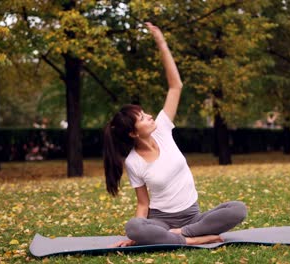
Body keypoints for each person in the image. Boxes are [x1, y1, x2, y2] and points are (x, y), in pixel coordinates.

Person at [103, 22, 247, 247]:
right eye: (141, 118)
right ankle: (189, 241)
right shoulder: (133, 162)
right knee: (133, 226)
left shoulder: (162, 129)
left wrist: (161, 43)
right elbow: (143, 204)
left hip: (193, 217)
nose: (149, 116)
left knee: (238, 209)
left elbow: (175, 86)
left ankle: (182, 235)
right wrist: (135, 236)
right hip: (160, 221)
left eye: (145, 113)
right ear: (132, 133)